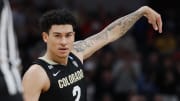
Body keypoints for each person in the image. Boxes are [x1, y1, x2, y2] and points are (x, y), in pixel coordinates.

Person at [22, 6, 162, 101]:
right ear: (46, 37)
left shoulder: (76, 52)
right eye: (57, 36)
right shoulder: (36, 74)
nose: (64, 42)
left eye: (68, 35)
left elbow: (109, 34)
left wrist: (141, 12)